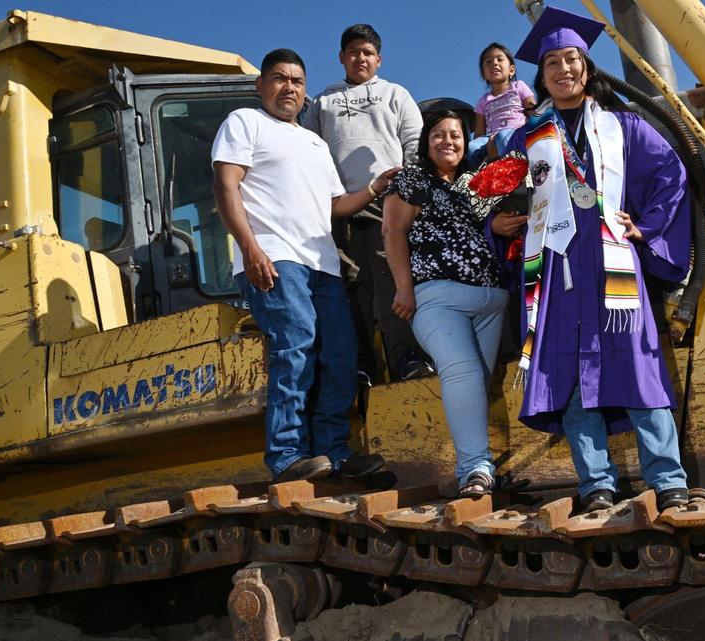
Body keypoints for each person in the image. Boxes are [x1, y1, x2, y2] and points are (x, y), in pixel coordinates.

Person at [496, 8, 693, 513]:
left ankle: (667, 478)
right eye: (552, 64)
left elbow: (672, 173)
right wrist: (494, 223)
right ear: (540, 76)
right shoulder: (525, 139)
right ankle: (596, 483)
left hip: (611, 266)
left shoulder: (623, 127)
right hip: (559, 270)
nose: (563, 70)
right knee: (572, 378)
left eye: (571, 60)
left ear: (586, 68)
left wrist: (644, 227)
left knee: (639, 369)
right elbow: (490, 196)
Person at [212, 48, 392, 483]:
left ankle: (332, 450)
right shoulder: (245, 122)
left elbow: (336, 205)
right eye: (278, 78)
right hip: (275, 257)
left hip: (323, 264)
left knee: (341, 354)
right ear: (261, 85)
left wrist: (374, 186)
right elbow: (225, 184)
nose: (288, 87)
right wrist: (251, 249)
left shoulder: (315, 143)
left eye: (296, 80)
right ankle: (287, 453)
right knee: (295, 347)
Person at [381, 111, 509, 497]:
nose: (448, 141)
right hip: (437, 298)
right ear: (426, 142)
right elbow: (392, 230)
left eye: (455, 134)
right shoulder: (412, 180)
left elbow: (490, 223)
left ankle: (479, 463)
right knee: (465, 373)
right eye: (438, 134)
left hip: (491, 301)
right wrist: (404, 287)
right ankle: (475, 469)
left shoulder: (473, 184)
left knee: (474, 383)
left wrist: (500, 225)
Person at [302, 24, 433, 383]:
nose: (360, 58)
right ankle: (363, 364)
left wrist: (407, 190)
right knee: (351, 287)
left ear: (379, 59)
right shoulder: (322, 102)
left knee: (392, 280)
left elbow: (414, 142)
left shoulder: (395, 94)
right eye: (353, 51)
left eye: (367, 52)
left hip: (387, 203)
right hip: (339, 207)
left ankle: (406, 357)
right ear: (342, 57)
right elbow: (309, 151)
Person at [468, 43, 537, 167]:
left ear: (511, 70)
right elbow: (479, 132)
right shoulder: (483, 101)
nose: (494, 63)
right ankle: (475, 175)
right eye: (488, 62)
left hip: (517, 132)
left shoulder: (519, 86)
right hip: (490, 137)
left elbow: (533, 110)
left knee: (502, 138)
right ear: (484, 75)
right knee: (471, 147)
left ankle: (510, 169)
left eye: (499, 59)